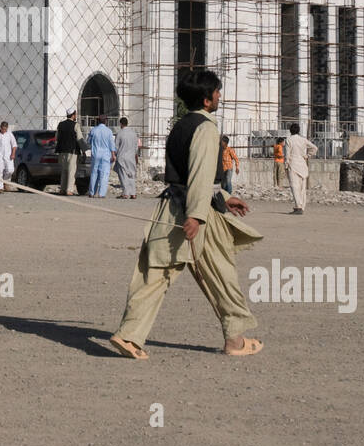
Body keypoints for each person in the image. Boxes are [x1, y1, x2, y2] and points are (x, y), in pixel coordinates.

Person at [109, 68, 263, 360]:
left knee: (154, 273)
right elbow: (201, 173)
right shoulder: (206, 128)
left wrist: (226, 198)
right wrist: (196, 216)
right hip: (198, 214)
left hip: (173, 208)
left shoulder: (181, 126)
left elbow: (195, 175)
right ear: (206, 100)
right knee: (221, 275)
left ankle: (129, 336)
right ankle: (235, 340)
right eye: (216, 92)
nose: (219, 96)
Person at [282, 123, 316, 214]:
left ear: (290, 131)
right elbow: (314, 148)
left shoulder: (288, 140)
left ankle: (298, 207)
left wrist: (285, 165)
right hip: (302, 164)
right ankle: (301, 206)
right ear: (298, 130)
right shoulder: (303, 140)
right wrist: (307, 156)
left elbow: (287, 155)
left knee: (294, 186)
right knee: (302, 188)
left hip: (293, 164)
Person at [86, 114, 116, 197]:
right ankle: (101, 193)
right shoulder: (109, 131)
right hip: (106, 155)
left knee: (94, 173)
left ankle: (92, 192)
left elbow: (88, 141)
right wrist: (113, 155)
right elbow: (112, 144)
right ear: (106, 121)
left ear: (98, 121)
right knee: (104, 174)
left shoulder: (93, 130)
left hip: (95, 154)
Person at [55, 108, 80, 195]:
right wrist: (85, 149)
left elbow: (57, 137)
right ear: (73, 115)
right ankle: (69, 190)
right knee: (71, 171)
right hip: (72, 151)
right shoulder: (75, 125)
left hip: (62, 151)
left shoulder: (60, 124)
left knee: (64, 171)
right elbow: (79, 138)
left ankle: (62, 189)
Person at [114, 116, 140, 198]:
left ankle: (125, 193)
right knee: (131, 175)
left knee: (123, 175)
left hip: (122, 157)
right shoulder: (134, 133)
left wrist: (114, 155)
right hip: (131, 157)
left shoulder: (120, 133)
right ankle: (133, 193)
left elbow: (116, 147)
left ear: (121, 124)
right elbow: (136, 147)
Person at [0, 121, 16, 191]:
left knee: (10, 170)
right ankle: (0, 187)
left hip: (8, 155)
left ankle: (4, 181)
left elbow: (14, 145)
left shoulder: (10, 134)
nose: (4, 130)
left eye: (5, 129)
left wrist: (13, 154)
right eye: (3, 128)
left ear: (7, 128)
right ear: (0, 127)